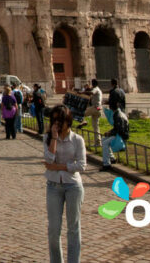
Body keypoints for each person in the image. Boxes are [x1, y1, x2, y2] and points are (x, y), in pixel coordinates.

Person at [44, 104, 87, 263]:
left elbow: (82, 165)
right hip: (53, 186)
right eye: (53, 120)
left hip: (73, 186)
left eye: (59, 121)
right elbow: (48, 160)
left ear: (68, 121)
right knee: (54, 230)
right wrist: (54, 137)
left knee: (73, 229)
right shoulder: (48, 137)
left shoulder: (77, 140)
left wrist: (60, 167)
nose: (56, 124)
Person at [100, 106, 129, 170]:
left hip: (120, 136)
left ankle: (106, 164)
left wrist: (110, 133)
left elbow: (118, 129)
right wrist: (110, 132)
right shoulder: (119, 114)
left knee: (105, 143)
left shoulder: (117, 115)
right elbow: (117, 127)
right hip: (120, 134)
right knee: (103, 139)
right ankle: (112, 158)